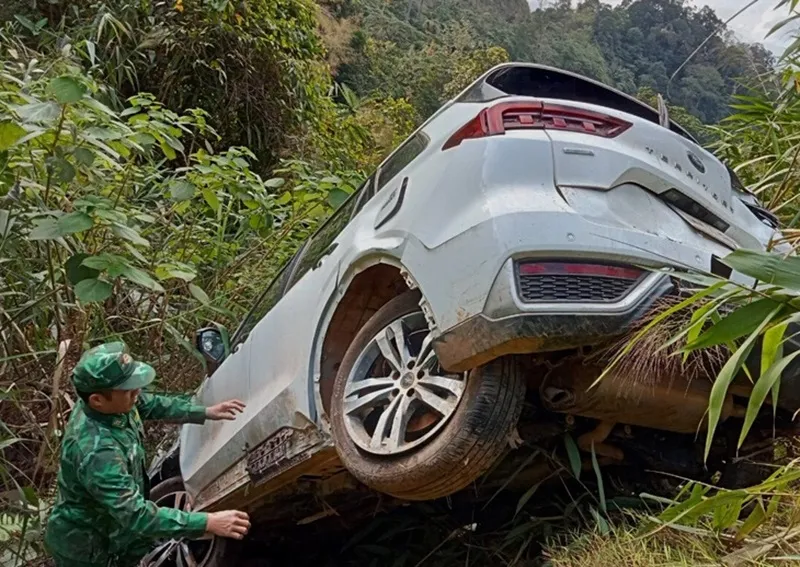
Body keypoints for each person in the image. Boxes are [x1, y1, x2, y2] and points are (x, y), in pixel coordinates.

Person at [45, 342, 250, 567]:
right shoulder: (96, 452)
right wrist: (206, 522)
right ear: (97, 400)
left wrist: (204, 412)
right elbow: (135, 514)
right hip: (88, 549)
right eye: (129, 390)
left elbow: (150, 404)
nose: (137, 393)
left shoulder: (115, 403)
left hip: (119, 535)